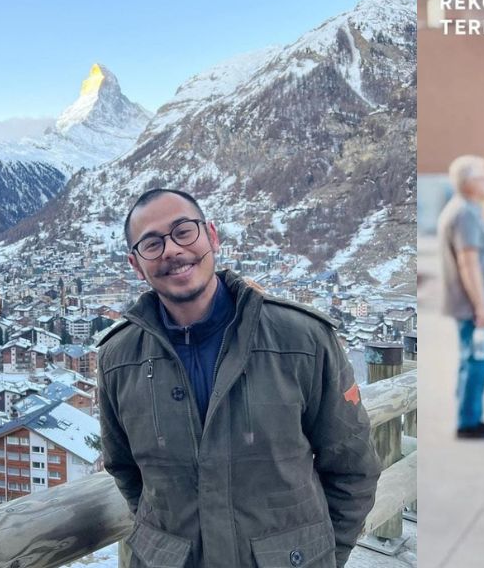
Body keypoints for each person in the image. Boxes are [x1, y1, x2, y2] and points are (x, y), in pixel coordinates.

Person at [98, 188, 380, 568]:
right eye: (152, 243)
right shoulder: (119, 358)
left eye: (184, 231)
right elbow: (125, 469)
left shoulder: (300, 339)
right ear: (136, 264)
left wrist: (321, 554)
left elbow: (352, 466)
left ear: (211, 236)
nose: (171, 250)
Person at [437, 155, 484, 439]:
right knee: (478, 362)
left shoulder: (466, 210)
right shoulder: (465, 214)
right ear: (469, 183)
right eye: (483, 177)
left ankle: (468, 414)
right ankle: (469, 421)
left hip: (473, 308)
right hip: (473, 309)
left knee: (471, 361)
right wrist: (481, 307)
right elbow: (468, 263)